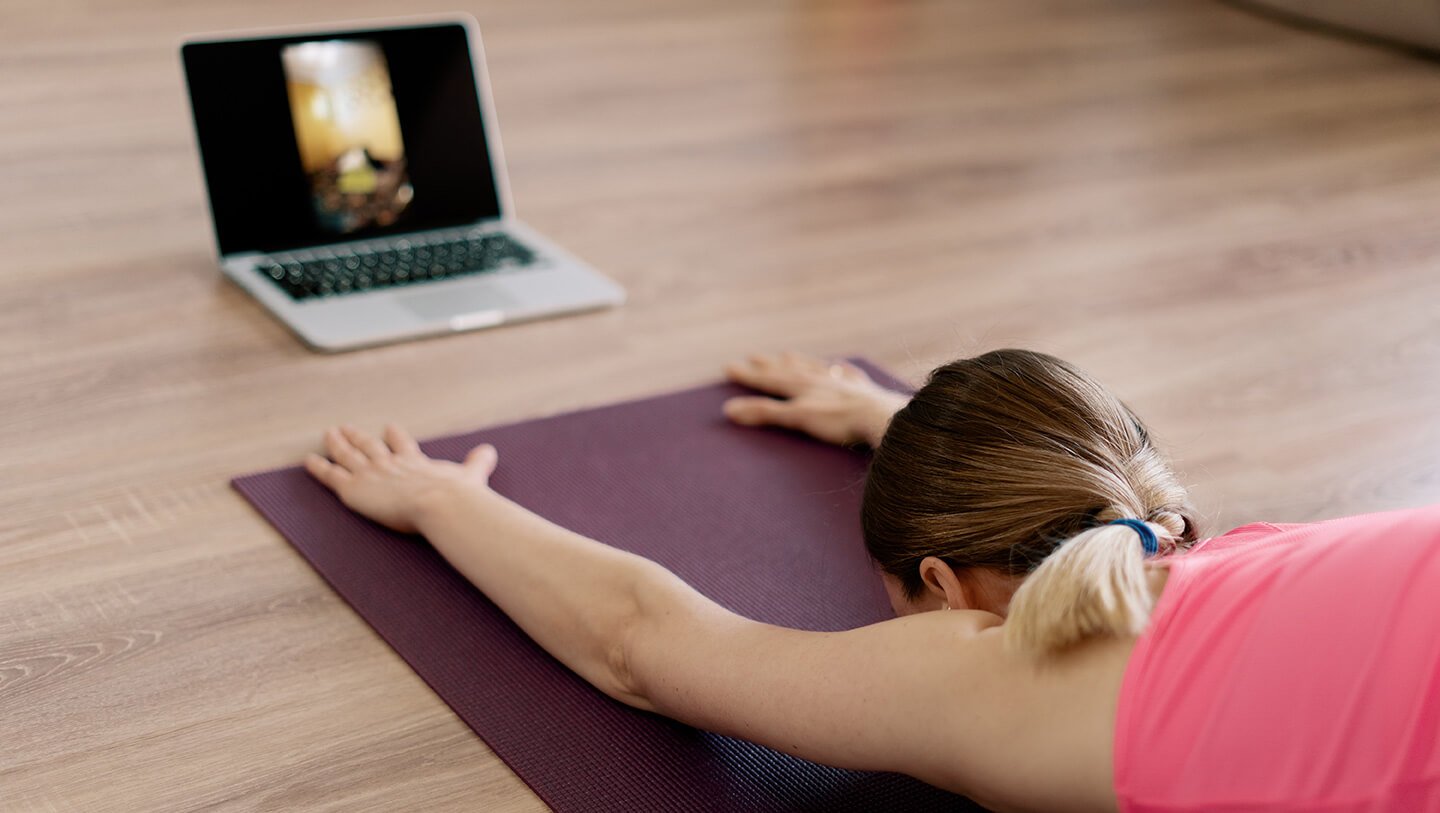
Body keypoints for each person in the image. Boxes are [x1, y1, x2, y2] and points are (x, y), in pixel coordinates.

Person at [304, 350, 1440, 813]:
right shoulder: (1249, 550)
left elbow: (639, 641)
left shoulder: (992, 671)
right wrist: (898, 423)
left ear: (941, 583)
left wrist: (446, 501)